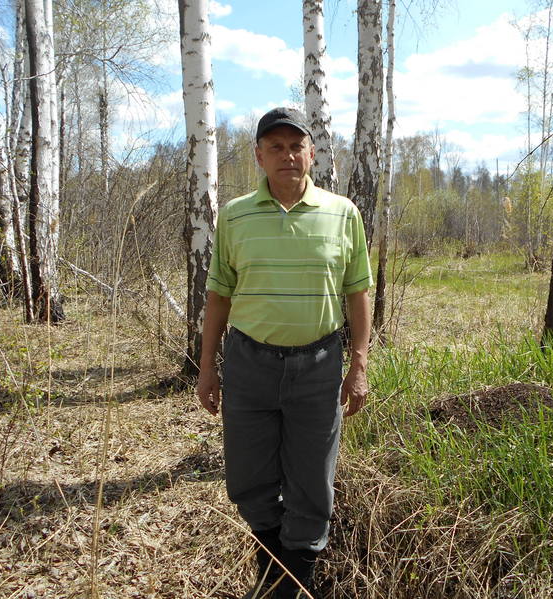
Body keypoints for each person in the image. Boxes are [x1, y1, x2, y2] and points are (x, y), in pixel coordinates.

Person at [196, 106, 372, 599]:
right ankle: (273, 560)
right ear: (258, 156)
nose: (287, 156)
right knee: (247, 482)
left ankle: (290, 584)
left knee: (312, 486)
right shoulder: (234, 216)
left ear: (312, 154)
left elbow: (358, 292)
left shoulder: (343, 214)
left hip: (318, 366)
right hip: (250, 364)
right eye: (275, 147)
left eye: (296, 146)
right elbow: (218, 297)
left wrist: (358, 365)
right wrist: (207, 367)